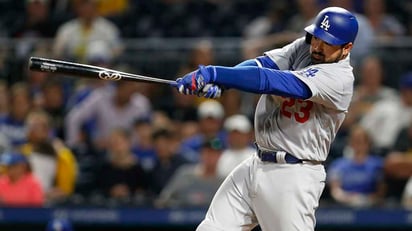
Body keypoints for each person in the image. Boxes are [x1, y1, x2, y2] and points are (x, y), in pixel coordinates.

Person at [175, 6, 359, 231]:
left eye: (328, 42)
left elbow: (270, 80)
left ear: (347, 47)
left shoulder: (339, 79)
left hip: (294, 174)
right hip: (256, 162)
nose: (318, 46)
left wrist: (214, 74)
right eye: (317, 37)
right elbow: (262, 64)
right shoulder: (305, 47)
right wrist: (223, 84)